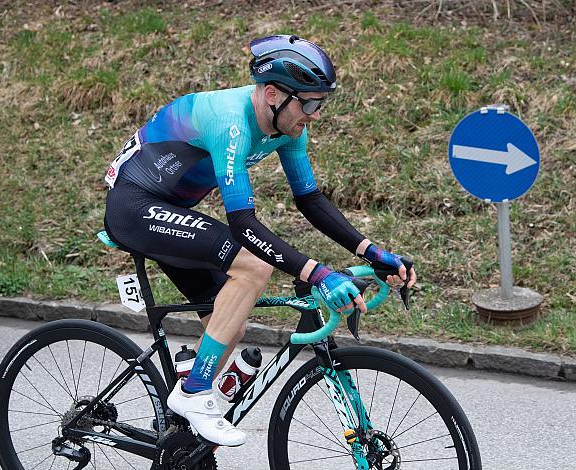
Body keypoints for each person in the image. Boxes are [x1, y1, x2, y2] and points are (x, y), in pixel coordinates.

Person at [103, 34, 416, 447]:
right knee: (252, 267)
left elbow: (309, 199)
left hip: (173, 212)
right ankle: (195, 391)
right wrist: (319, 274)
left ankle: (183, 431)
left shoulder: (288, 127)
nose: (315, 114)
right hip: (135, 206)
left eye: (321, 103)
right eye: (309, 103)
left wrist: (371, 251)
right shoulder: (229, 121)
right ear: (273, 94)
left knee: (228, 323)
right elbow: (244, 225)